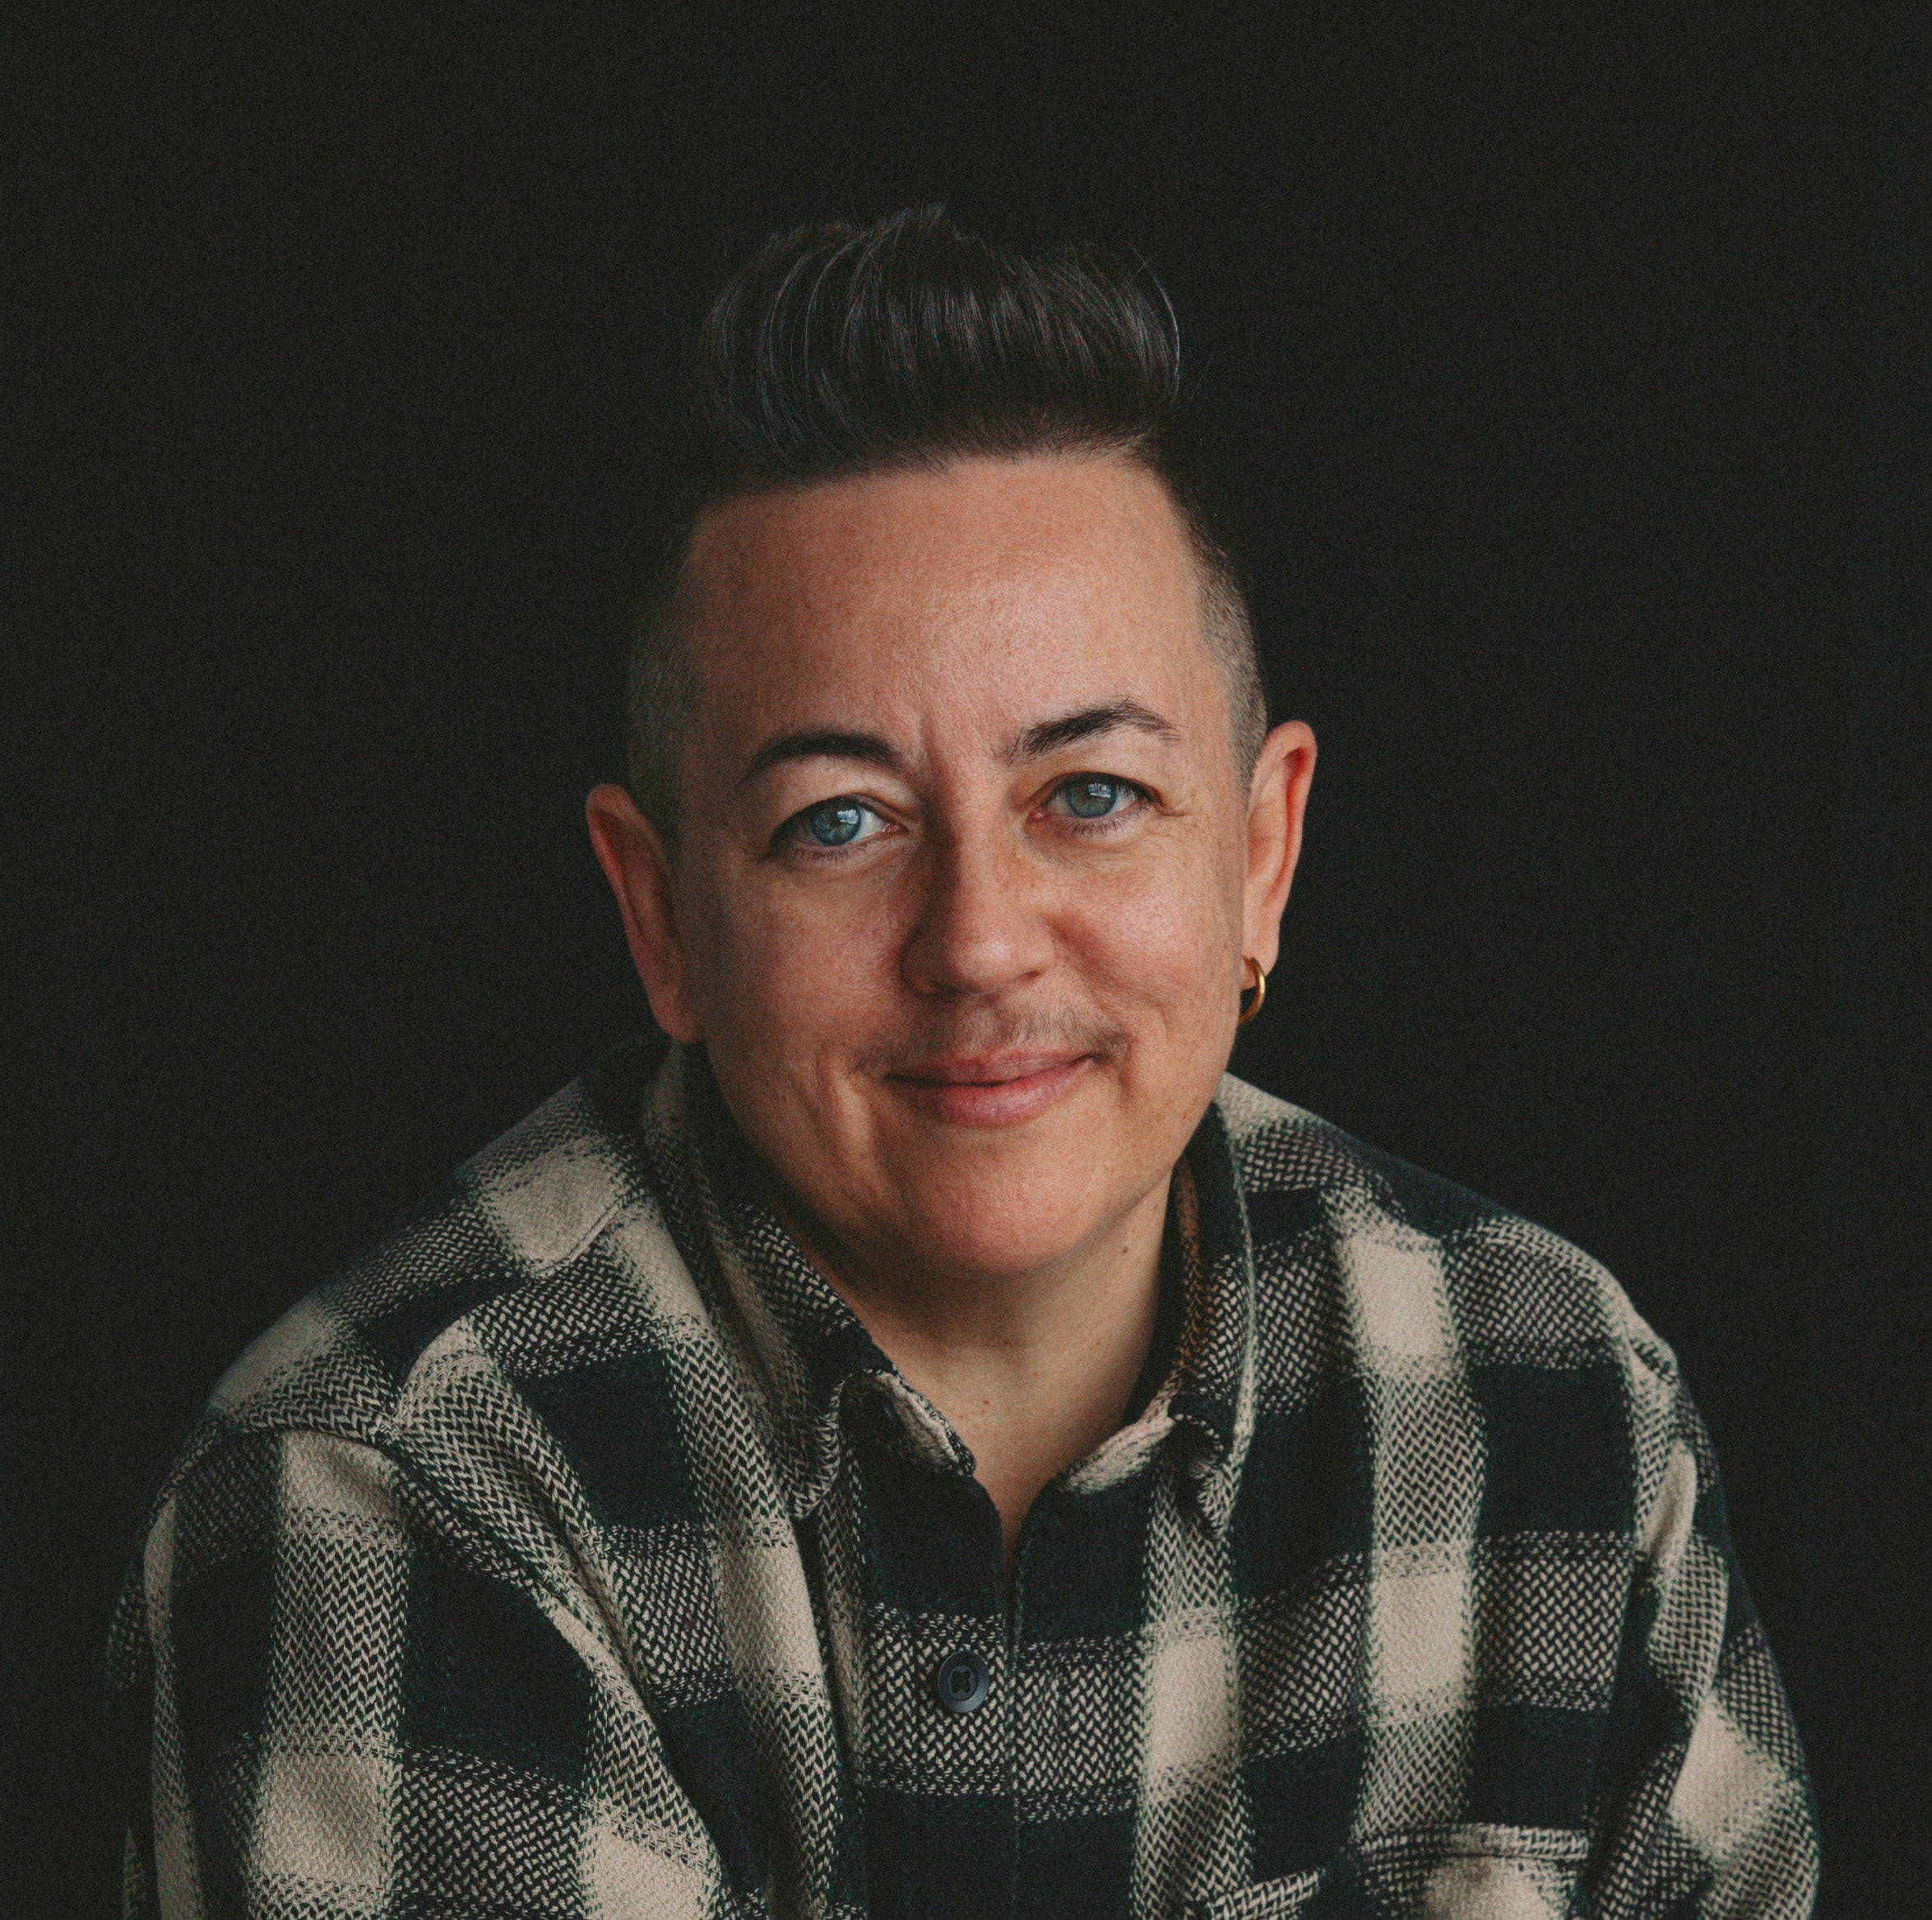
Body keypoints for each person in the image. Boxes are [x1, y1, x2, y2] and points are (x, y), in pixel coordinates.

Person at [108, 208, 1818, 1920]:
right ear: (662, 921)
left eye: (1088, 796)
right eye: (836, 822)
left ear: (1259, 859)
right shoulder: (396, 1493)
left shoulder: (1556, 1413)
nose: (979, 941)